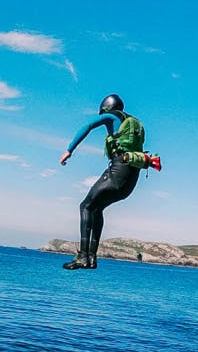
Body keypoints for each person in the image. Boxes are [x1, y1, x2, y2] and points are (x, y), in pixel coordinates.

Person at [58, 93, 161, 270]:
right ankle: (91, 259)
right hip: (129, 182)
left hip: (118, 172)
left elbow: (87, 125)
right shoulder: (134, 124)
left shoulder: (112, 115)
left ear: (107, 108)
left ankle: (83, 256)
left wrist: (69, 150)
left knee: (85, 206)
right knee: (97, 208)